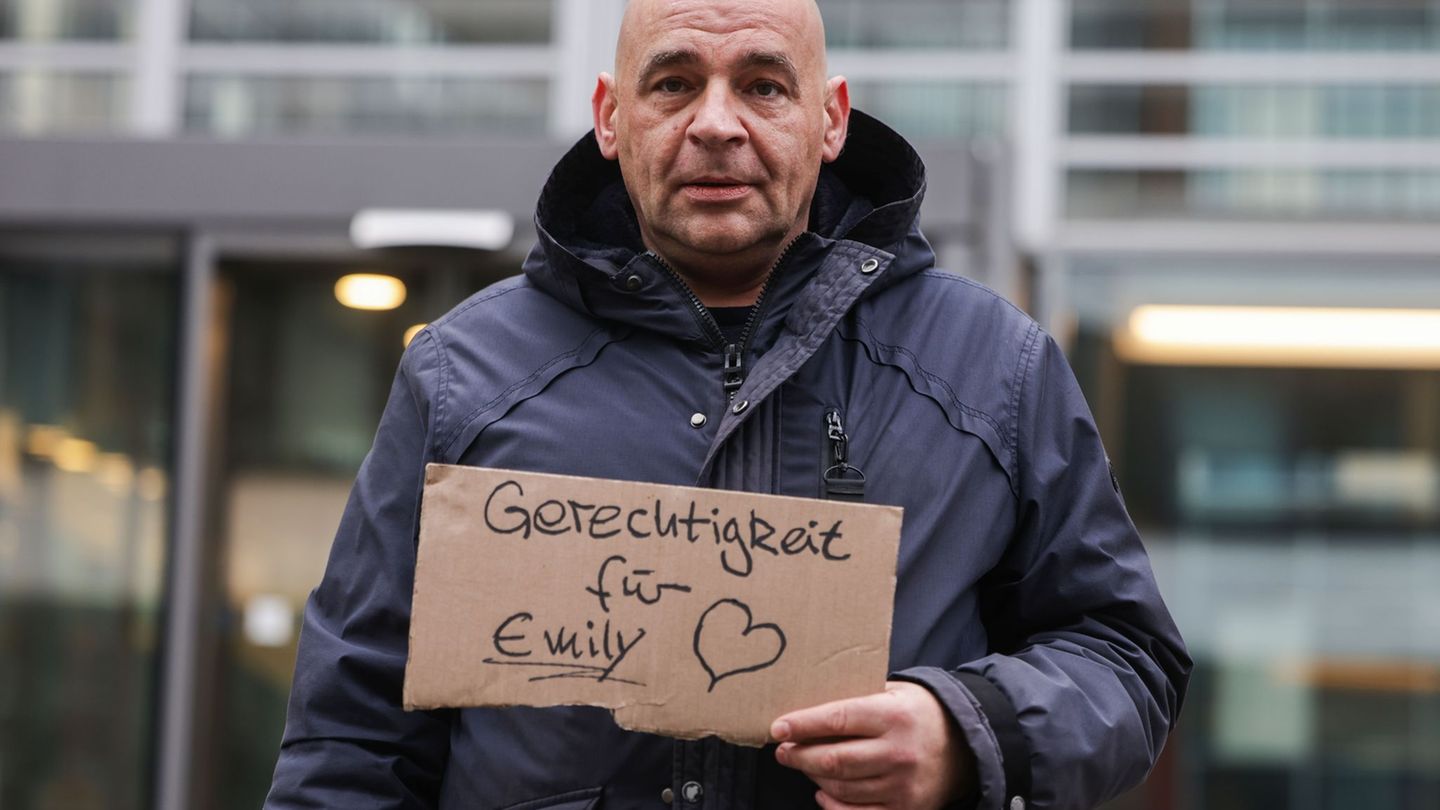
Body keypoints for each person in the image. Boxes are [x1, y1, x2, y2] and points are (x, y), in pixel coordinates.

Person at [265, 0, 1190, 808]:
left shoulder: (994, 368)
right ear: (609, 116)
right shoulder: (463, 372)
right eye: (673, 84)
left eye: (762, 86)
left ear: (831, 119)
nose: (716, 124)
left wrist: (967, 734)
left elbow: (1126, 659)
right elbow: (352, 738)